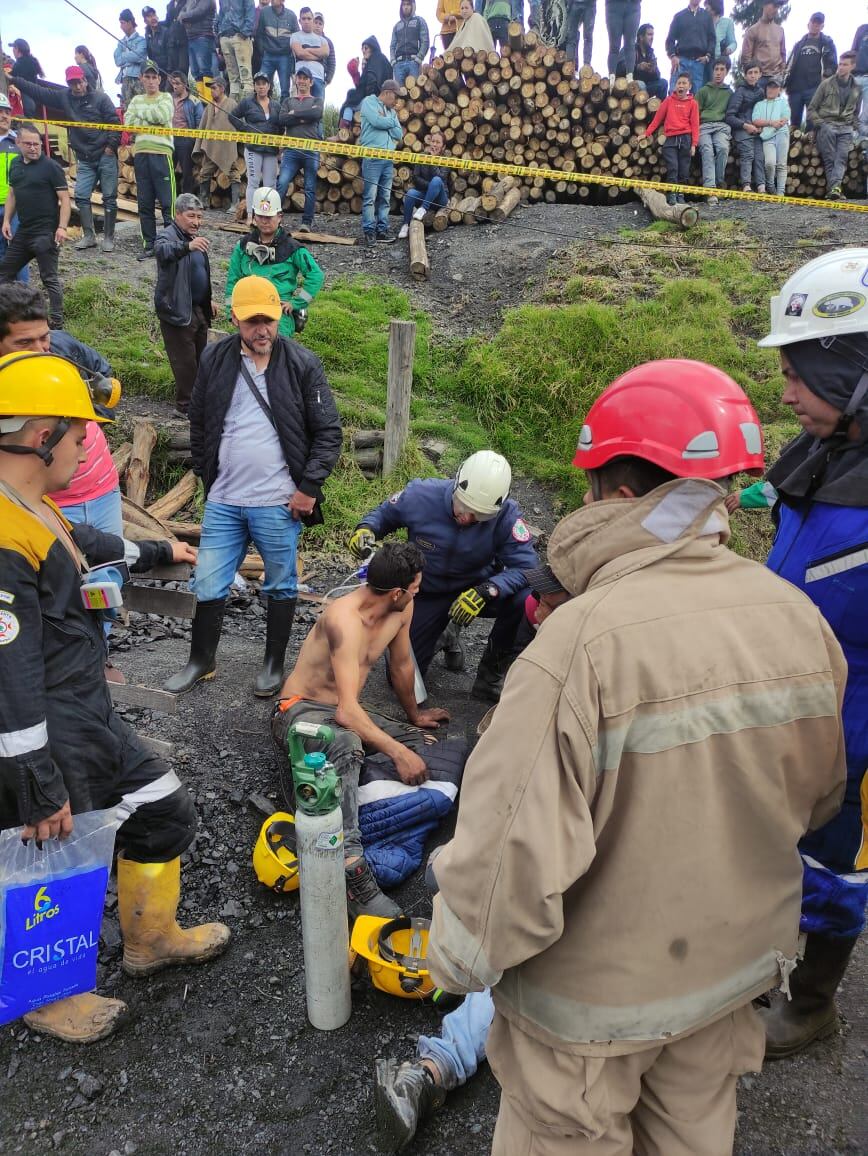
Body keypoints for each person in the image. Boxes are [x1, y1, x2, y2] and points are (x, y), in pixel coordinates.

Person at [426, 359, 848, 1156]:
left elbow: (507, 862)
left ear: (619, 495)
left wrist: (455, 960)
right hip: (725, 985)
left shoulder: (576, 646)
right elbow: (821, 796)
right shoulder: (797, 620)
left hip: (588, 1015)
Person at [0, 352, 230, 1046]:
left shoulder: (33, 506)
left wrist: (162, 552)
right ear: (42, 435)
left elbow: (90, 544)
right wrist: (36, 786)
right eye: (79, 434)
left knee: (163, 808)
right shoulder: (4, 538)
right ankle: (47, 995)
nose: (86, 445)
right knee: (55, 857)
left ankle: (150, 939)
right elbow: (7, 677)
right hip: (46, 722)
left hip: (85, 708)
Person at [375, 568, 571, 1154]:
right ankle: (434, 1069)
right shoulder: (550, 657)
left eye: (546, 597)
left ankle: (434, 1070)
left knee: (511, 955)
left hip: (570, 887)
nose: (535, 604)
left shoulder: (573, 671)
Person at [755, 250, 868, 1060]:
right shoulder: (823, 456)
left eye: (800, 372)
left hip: (859, 734)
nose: (785, 390)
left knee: (837, 866)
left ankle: (813, 1002)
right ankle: (766, 957)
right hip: (798, 710)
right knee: (779, 844)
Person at [163, 276, 341, 699]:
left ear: (280, 313)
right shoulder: (216, 358)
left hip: (278, 502)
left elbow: (329, 432)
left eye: (269, 318)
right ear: (234, 319)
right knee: (207, 581)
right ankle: (201, 660)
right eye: (252, 321)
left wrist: (308, 488)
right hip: (224, 499)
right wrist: (208, 475)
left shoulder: (302, 364)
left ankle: (273, 664)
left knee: (280, 584)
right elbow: (201, 420)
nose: (262, 329)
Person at [271, 540, 450, 921]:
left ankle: (348, 798)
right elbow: (348, 714)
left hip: (342, 706)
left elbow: (401, 666)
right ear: (397, 592)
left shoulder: (402, 609)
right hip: (300, 711)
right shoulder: (343, 619)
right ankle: (352, 869)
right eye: (416, 587)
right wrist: (399, 754)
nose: (419, 591)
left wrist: (414, 717)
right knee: (349, 742)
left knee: (425, 744)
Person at [350, 450, 538, 698]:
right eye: (464, 507)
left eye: (479, 515)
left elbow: (528, 567)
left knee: (526, 599)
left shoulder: (507, 515)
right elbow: (383, 514)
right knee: (401, 684)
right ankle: (446, 632)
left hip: (477, 586)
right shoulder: (420, 494)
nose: (467, 518)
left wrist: (489, 589)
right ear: (456, 485)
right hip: (429, 591)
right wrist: (366, 529)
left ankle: (490, 675)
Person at [0, 283, 123, 551]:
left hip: (102, 489)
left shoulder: (62, 347)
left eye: (43, 337)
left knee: (113, 568)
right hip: (45, 503)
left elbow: (103, 373)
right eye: (24, 342)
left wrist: (90, 419)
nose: (40, 350)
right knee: (60, 584)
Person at [8, 66, 120, 255]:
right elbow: (40, 92)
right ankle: (89, 236)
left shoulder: (101, 98)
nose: (76, 86)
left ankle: (108, 238)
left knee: (109, 197)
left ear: (85, 80)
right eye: (71, 83)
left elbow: (114, 123)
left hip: (105, 155)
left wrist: (110, 148)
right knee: (82, 196)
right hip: (84, 157)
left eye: (78, 81)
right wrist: (15, 79)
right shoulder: (64, 97)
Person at [224, 187, 323, 338]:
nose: (264, 221)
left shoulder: (292, 248)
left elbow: (316, 275)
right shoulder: (243, 246)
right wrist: (230, 312)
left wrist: (296, 303)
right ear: (254, 217)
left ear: (279, 217)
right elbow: (233, 279)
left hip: (279, 314)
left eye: (269, 217)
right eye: (261, 216)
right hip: (248, 311)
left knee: (278, 356)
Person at [0, 123, 68, 330]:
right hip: (24, 232)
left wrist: (62, 227)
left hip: (45, 233)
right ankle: (10, 313)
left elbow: (64, 199)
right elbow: (12, 193)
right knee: (3, 273)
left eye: (37, 144)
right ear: (18, 143)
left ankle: (56, 322)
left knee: (49, 278)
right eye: (28, 144)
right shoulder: (16, 165)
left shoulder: (51, 167)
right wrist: (6, 221)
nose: (33, 148)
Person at [154, 193, 216, 416]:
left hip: (198, 309)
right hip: (176, 309)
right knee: (185, 363)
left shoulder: (195, 239)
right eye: (191, 216)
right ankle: (185, 408)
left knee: (202, 359)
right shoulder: (168, 236)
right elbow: (161, 251)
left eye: (199, 217)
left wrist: (208, 300)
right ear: (177, 214)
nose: (196, 222)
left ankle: (199, 403)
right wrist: (187, 247)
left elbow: (199, 274)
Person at [125, 63, 175, 259]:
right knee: (144, 203)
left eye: (155, 77)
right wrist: (150, 118)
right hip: (142, 154)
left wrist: (142, 117)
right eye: (148, 77)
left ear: (159, 80)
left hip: (162, 153)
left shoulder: (166, 97)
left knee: (167, 203)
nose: (152, 80)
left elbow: (163, 115)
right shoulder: (136, 99)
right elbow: (128, 124)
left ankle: (171, 244)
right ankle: (150, 245)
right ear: (142, 79)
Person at [808, 51, 861, 202]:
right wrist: (821, 124)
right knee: (830, 158)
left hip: (846, 127)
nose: (841, 67)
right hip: (828, 125)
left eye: (845, 65)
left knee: (842, 158)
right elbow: (811, 109)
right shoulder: (826, 84)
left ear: (853, 66)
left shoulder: (857, 87)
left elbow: (856, 112)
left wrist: (854, 126)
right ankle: (835, 190)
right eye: (840, 64)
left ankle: (833, 190)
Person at [276, 65, 323, 231]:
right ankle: (276, 219)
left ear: (310, 82)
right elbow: (282, 119)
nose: (302, 81)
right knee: (282, 183)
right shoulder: (288, 101)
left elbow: (316, 115)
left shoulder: (317, 101)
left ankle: (306, 223)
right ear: (295, 80)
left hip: (311, 149)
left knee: (310, 187)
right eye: (299, 78)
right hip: (291, 151)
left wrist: (294, 114)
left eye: (305, 78)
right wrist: (304, 116)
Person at [229, 71, 281, 215]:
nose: (261, 87)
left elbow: (281, 126)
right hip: (253, 148)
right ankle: (251, 216)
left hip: (271, 150)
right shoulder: (247, 102)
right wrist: (245, 129)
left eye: (264, 83)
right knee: (253, 182)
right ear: (254, 86)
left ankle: (268, 214)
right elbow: (232, 116)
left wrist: (279, 145)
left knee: (271, 183)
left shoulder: (276, 105)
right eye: (258, 84)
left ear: (269, 86)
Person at [359, 79, 403, 247]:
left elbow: (399, 134)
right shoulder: (369, 102)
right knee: (370, 196)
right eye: (395, 97)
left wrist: (387, 121)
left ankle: (382, 230)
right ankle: (369, 231)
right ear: (387, 93)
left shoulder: (391, 112)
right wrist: (390, 122)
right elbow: (377, 122)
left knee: (385, 196)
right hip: (372, 158)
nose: (396, 101)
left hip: (387, 159)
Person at [644, 72, 699, 206]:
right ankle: (672, 193)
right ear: (675, 86)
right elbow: (657, 119)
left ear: (689, 86)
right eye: (679, 83)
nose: (681, 85)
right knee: (673, 167)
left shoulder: (693, 103)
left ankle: (681, 194)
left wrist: (694, 144)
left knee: (684, 169)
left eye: (684, 83)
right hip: (671, 140)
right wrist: (646, 133)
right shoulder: (668, 101)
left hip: (686, 139)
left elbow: (695, 124)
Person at [194, 75, 243, 213]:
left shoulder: (231, 104)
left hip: (227, 147)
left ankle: (235, 204)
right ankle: (204, 201)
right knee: (205, 172)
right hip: (211, 147)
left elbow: (238, 124)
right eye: (210, 88)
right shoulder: (209, 106)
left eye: (214, 88)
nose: (211, 91)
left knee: (233, 173)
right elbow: (203, 125)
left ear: (222, 88)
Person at [785, 12, 837, 128]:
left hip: (814, 88)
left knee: (812, 123)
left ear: (822, 26)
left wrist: (825, 79)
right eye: (813, 22)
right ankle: (793, 145)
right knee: (794, 122)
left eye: (818, 23)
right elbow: (789, 64)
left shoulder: (827, 43)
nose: (815, 25)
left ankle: (810, 145)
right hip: (795, 88)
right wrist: (786, 82)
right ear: (808, 24)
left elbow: (833, 65)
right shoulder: (799, 44)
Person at [398, 128, 450, 240]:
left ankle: (423, 209)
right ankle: (405, 225)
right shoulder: (422, 156)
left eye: (438, 142)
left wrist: (432, 161)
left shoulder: (446, 160)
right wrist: (431, 187)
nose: (434, 144)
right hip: (425, 194)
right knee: (411, 193)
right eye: (433, 141)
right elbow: (415, 178)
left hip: (440, 199)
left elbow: (440, 178)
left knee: (436, 180)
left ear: (443, 146)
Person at [726, 59, 766, 193]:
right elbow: (730, 116)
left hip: (757, 129)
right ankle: (746, 185)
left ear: (760, 74)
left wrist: (761, 126)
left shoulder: (761, 93)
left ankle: (761, 186)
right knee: (748, 154)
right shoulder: (740, 91)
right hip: (741, 128)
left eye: (755, 72)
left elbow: (763, 113)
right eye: (750, 72)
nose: (753, 75)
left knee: (760, 155)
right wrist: (745, 125)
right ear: (745, 75)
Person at [0, 95, 28, 284]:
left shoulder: (19, 142)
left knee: (20, 250)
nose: (4, 116)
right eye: (0, 112)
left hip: (16, 207)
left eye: (7, 112)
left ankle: (24, 295)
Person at [337, 37, 393, 132]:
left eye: (366, 48)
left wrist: (368, 99)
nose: (363, 51)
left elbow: (372, 81)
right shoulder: (380, 59)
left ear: (373, 47)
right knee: (351, 95)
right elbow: (363, 84)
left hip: (375, 100)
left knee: (349, 105)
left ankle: (343, 131)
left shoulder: (375, 58)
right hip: (380, 98)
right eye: (362, 49)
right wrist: (356, 75)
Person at [697, 56, 732, 204]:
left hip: (721, 126)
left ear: (726, 72)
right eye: (716, 69)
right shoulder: (704, 90)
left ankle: (718, 181)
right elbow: (695, 112)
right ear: (712, 71)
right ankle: (710, 189)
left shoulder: (729, 92)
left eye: (722, 69)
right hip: (704, 126)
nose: (718, 72)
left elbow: (731, 113)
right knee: (707, 150)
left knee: (723, 148)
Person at [665, 0, 715, 97]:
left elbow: (712, 39)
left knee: (696, 97)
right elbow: (670, 40)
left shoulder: (707, 17)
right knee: (674, 94)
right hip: (681, 61)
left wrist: (707, 56)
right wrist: (673, 56)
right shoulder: (679, 16)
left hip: (699, 62)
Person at [753, 74, 790, 196]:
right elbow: (755, 120)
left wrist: (779, 123)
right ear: (766, 88)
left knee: (781, 164)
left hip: (782, 134)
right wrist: (770, 123)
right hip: (767, 137)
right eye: (769, 87)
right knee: (769, 163)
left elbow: (785, 117)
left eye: (775, 87)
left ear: (779, 90)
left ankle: (780, 193)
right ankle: (770, 185)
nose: (771, 90)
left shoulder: (783, 102)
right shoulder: (759, 104)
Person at [257, 0, 299, 98]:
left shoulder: (291, 15)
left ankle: (283, 112)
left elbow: (296, 37)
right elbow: (259, 34)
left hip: (285, 56)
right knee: (261, 83)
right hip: (268, 55)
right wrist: (262, 51)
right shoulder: (264, 12)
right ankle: (261, 110)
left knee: (284, 89)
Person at [169, 71, 202, 195]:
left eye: (177, 83)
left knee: (187, 170)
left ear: (185, 84)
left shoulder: (194, 101)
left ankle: (187, 195)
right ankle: (173, 194)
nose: (175, 86)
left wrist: (194, 140)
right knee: (170, 169)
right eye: (173, 84)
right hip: (170, 138)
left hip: (186, 139)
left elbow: (199, 122)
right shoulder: (168, 99)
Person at [215, 0, 256, 100]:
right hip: (225, 36)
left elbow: (250, 12)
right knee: (232, 77)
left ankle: (248, 110)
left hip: (240, 36)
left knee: (245, 75)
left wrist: (244, 32)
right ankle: (233, 110)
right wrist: (220, 33)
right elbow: (221, 14)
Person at [741, 0, 786, 87]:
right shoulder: (752, 30)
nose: (776, 9)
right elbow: (746, 57)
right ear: (764, 5)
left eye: (778, 7)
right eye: (774, 6)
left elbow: (783, 52)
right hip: (758, 78)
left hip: (776, 77)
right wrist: (752, 76)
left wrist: (782, 71)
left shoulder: (780, 30)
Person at [179, 0, 218, 99]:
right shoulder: (189, 2)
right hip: (191, 38)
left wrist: (184, 16)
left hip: (203, 36)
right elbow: (181, 13)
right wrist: (185, 16)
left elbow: (198, 13)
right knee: (195, 71)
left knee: (205, 69)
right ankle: (202, 100)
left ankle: (209, 99)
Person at [290, 6, 328, 101]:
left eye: (309, 18)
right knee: (298, 110)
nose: (306, 21)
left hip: (318, 78)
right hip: (301, 79)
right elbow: (300, 53)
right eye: (304, 18)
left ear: (312, 20)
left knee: (317, 111)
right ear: (300, 21)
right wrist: (318, 56)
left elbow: (326, 52)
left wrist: (306, 49)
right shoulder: (295, 36)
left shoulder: (322, 40)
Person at [391, 1, 430, 88]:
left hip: (413, 62)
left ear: (413, 6)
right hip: (398, 64)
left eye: (408, 4)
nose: (406, 7)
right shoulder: (397, 25)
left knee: (415, 93)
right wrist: (393, 61)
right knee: (399, 95)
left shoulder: (419, 21)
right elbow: (392, 45)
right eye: (404, 5)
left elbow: (425, 41)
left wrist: (419, 58)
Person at [114, 9, 148, 107]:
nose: (121, 26)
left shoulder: (141, 40)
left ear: (130, 22)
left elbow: (139, 57)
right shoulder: (120, 42)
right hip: (124, 79)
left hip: (138, 78)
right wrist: (131, 58)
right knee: (128, 110)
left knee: (142, 107)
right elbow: (117, 61)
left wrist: (124, 56)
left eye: (122, 23)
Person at [604, 0, 641, 82]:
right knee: (614, 46)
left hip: (633, 6)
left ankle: (630, 78)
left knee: (630, 44)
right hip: (614, 6)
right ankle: (612, 78)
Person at [10, 40, 45, 117]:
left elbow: (12, 78)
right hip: (31, 102)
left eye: (14, 48)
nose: (12, 51)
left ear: (17, 49)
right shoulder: (31, 61)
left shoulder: (21, 63)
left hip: (24, 102)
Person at [634, 23, 668, 100]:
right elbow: (621, 67)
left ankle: (659, 110)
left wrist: (653, 70)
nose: (652, 38)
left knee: (663, 83)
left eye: (653, 35)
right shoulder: (631, 49)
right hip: (632, 85)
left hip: (646, 87)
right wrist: (638, 67)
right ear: (641, 37)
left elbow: (657, 77)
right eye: (649, 34)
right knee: (641, 84)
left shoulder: (650, 53)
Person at [142, 6, 171, 84]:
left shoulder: (165, 31)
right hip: (157, 74)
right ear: (145, 21)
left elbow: (171, 54)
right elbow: (150, 55)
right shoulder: (147, 34)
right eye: (149, 16)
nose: (153, 18)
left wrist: (170, 72)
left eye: (154, 15)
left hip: (168, 73)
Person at [564, 1, 596, 70]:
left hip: (589, 5)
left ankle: (587, 66)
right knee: (571, 37)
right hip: (575, 4)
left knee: (587, 37)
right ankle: (570, 66)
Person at [705, 0, 736, 64]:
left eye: (708, 5)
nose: (706, 8)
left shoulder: (727, 22)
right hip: (706, 60)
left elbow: (733, 42)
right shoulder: (703, 22)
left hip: (720, 61)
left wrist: (729, 49)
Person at [165, 1, 190, 78]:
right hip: (173, 42)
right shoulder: (170, 5)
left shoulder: (186, 2)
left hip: (184, 40)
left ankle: (185, 88)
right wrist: (156, 24)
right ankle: (176, 89)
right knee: (174, 70)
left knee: (183, 69)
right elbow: (167, 22)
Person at [313, 13, 336, 91]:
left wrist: (327, 80)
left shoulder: (328, 42)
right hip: (303, 77)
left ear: (323, 26)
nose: (317, 25)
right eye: (315, 22)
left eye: (320, 23)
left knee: (318, 102)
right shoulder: (303, 37)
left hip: (320, 78)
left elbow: (332, 63)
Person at [854, 22, 868, 145]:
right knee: (852, 109)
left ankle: (863, 142)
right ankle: (852, 141)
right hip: (857, 76)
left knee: (866, 114)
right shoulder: (862, 29)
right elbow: (853, 50)